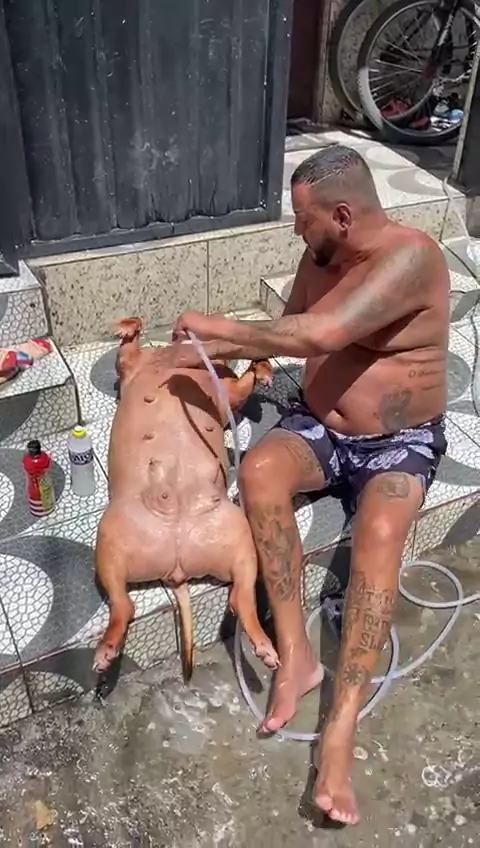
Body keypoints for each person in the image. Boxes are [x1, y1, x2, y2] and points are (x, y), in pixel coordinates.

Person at [166, 144, 449, 824]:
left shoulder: (411, 258)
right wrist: (214, 359)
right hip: (320, 425)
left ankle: (340, 730)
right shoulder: (319, 258)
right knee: (260, 470)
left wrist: (216, 326)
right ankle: (296, 657)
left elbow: (322, 333)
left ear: (343, 215)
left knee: (379, 532)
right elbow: (285, 332)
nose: (296, 230)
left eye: (303, 218)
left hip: (397, 442)